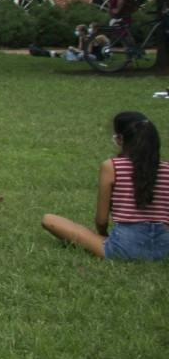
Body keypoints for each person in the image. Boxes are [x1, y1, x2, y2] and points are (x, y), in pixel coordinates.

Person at [40, 112, 168, 261]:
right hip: (164, 248)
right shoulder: (167, 169)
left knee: (49, 219)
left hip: (124, 246)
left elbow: (101, 220)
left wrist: (102, 235)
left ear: (121, 139)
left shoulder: (111, 167)